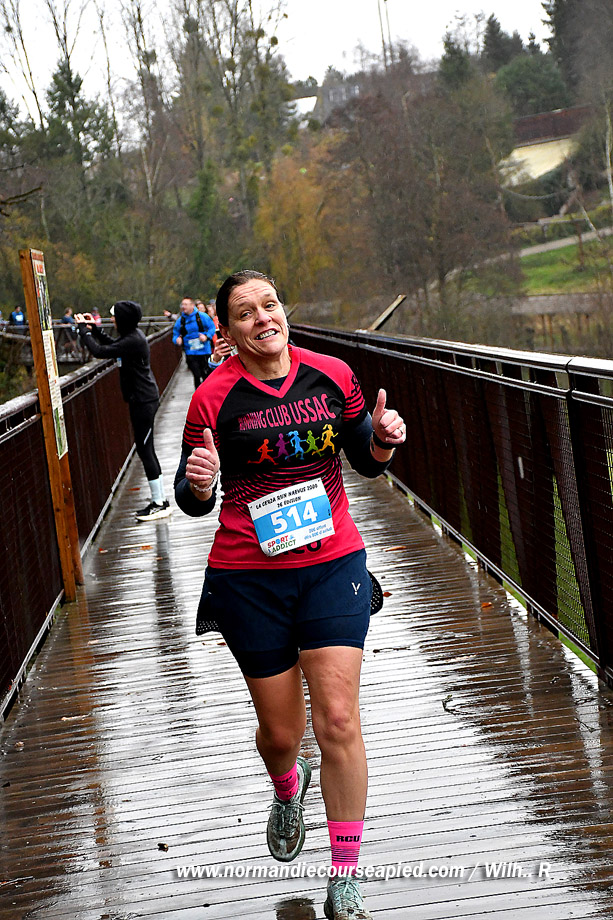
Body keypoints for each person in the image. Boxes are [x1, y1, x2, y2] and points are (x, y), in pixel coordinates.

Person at [174, 270, 406, 920]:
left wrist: (382, 440)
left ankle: (345, 875)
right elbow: (193, 499)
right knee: (282, 734)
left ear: (283, 311)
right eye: (245, 312)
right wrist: (198, 484)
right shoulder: (212, 398)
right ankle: (286, 783)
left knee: (338, 720)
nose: (262, 318)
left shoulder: (331, 375)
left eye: (269, 304)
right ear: (226, 331)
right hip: (250, 577)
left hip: (332, 564)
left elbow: (364, 458)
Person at [75, 301, 171, 522]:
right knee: (146, 449)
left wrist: (83, 331)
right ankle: (159, 500)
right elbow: (113, 345)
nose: (112, 319)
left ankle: (160, 503)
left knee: (146, 450)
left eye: (114, 316)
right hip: (142, 400)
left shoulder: (133, 340)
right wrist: (95, 330)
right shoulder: (132, 338)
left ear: (123, 319)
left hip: (144, 401)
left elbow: (100, 351)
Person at [172, 297, 217, 389]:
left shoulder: (202, 317)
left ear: (192, 305)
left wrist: (206, 336)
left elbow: (212, 328)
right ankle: (198, 393)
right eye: (182, 304)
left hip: (204, 351)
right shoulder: (181, 321)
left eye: (186, 304)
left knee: (206, 374)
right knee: (196, 375)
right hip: (190, 352)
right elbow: (175, 334)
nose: (183, 306)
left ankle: (208, 391)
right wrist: (177, 340)